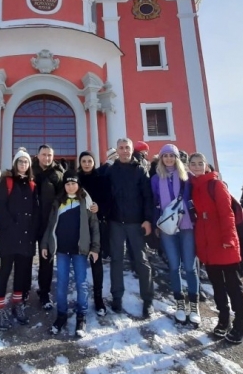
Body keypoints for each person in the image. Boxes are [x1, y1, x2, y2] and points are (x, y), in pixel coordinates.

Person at [187, 153, 243, 344]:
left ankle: (241, 322)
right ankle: (223, 319)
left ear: (206, 166)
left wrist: (229, 238)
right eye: (193, 163)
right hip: (207, 243)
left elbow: (227, 213)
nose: (197, 166)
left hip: (223, 241)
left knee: (233, 285)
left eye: (200, 163)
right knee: (217, 285)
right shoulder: (194, 186)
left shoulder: (216, 184)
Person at [41, 170, 100, 337]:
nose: (71, 186)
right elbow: (51, 225)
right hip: (62, 251)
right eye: (68, 183)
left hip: (80, 250)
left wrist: (95, 248)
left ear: (78, 185)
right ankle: (61, 315)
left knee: (81, 283)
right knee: (61, 284)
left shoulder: (86, 201)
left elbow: (94, 226)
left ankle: (81, 316)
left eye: (74, 183)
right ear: (64, 186)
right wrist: (45, 244)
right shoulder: (58, 202)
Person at [103, 138, 154, 318]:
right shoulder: (110, 171)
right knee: (116, 260)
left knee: (141, 261)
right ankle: (117, 297)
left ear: (132, 150)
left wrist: (148, 219)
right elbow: (102, 191)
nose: (124, 151)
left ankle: (147, 300)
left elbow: (148, 197)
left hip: (136, 222)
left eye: (127, 148)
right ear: (117, 150)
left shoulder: (140, 170)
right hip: (116, 222)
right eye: (121, 148)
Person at [151, 144, 200, 325]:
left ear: (177, 158)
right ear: (161, 159)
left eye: (172, 156)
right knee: (173, 266)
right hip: (167, 228)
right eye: (166, 156)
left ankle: (193, 305)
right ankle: (180, 303)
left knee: (190, 267)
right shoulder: (156, 179)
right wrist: (157, 223)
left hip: (187, 225)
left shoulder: (186, 177)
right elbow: (155, 202)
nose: (169, 159)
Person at [0, 150, 39, 329]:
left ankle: (17, 304)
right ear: (15, 164)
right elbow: (0, 205)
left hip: (26, 236)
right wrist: (8, 226)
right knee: (5, 271)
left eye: (26, 162)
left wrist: (33, 230)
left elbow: (35, 210)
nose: (23, 165)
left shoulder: (33, 184)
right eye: (20, 162)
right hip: (10, 235)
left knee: (22, 272)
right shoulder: (7, 181)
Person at [32, 144, 65, 309]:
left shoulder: (58, 174)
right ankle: (22, 291)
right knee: (24, 259)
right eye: (43, 155)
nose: (46, 158)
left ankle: (44, 293)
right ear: (37, 156)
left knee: (47, 259)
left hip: (49, 224)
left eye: (49, 155)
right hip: (29, 223)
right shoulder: (29, 171)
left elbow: (63, 197)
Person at [77, 150, 109, 315]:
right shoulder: (76, 180)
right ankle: (81, 298)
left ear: (94, 162)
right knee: (79, 263)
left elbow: (108, 199)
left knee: (96, 262)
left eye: (90, 161)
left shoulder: (101, 179)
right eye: (84, 161)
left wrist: (100, 208)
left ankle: (98, 298)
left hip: (96, 226)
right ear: (80, 163)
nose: (87, 164)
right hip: (79, 227)